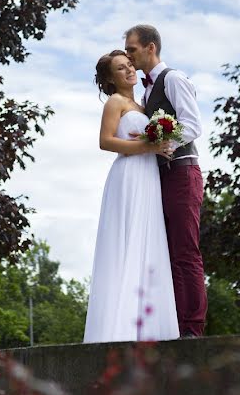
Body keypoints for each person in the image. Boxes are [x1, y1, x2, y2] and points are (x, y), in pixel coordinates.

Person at [83, 49, 180, 343]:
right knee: (126, 243)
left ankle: (148, 327)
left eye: (129, 65)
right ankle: (119, 329)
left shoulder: (142, 104)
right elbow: (105, 141)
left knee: (148, 242)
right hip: (128, 177)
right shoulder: (115, 102)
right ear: (111, 79)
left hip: (148, 177)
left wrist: (162, 143)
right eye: (120, 69)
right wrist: (150, 148)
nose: (128, 71)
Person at [124, 24, 207, 337]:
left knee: (186, 252)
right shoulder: (146, 90)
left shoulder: (173, 78)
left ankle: (193, 329)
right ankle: (174, 326)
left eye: (132, 50)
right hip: (161, 176)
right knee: (168, 254)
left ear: (150, 47)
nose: (129, 57)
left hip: (183, 172)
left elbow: (193, 125)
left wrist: (162, 142)